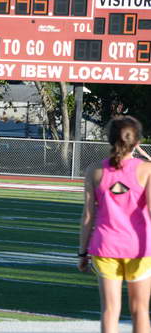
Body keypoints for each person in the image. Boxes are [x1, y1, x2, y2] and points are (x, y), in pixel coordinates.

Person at [78, 116, 151, 333]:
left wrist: (82, 253)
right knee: (140, 310)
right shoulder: (146, 170)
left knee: (110, 310)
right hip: (140, 249)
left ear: (110, 140)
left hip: (105, 247)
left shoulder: (95, 170)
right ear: (137, 142)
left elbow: (88, 216)